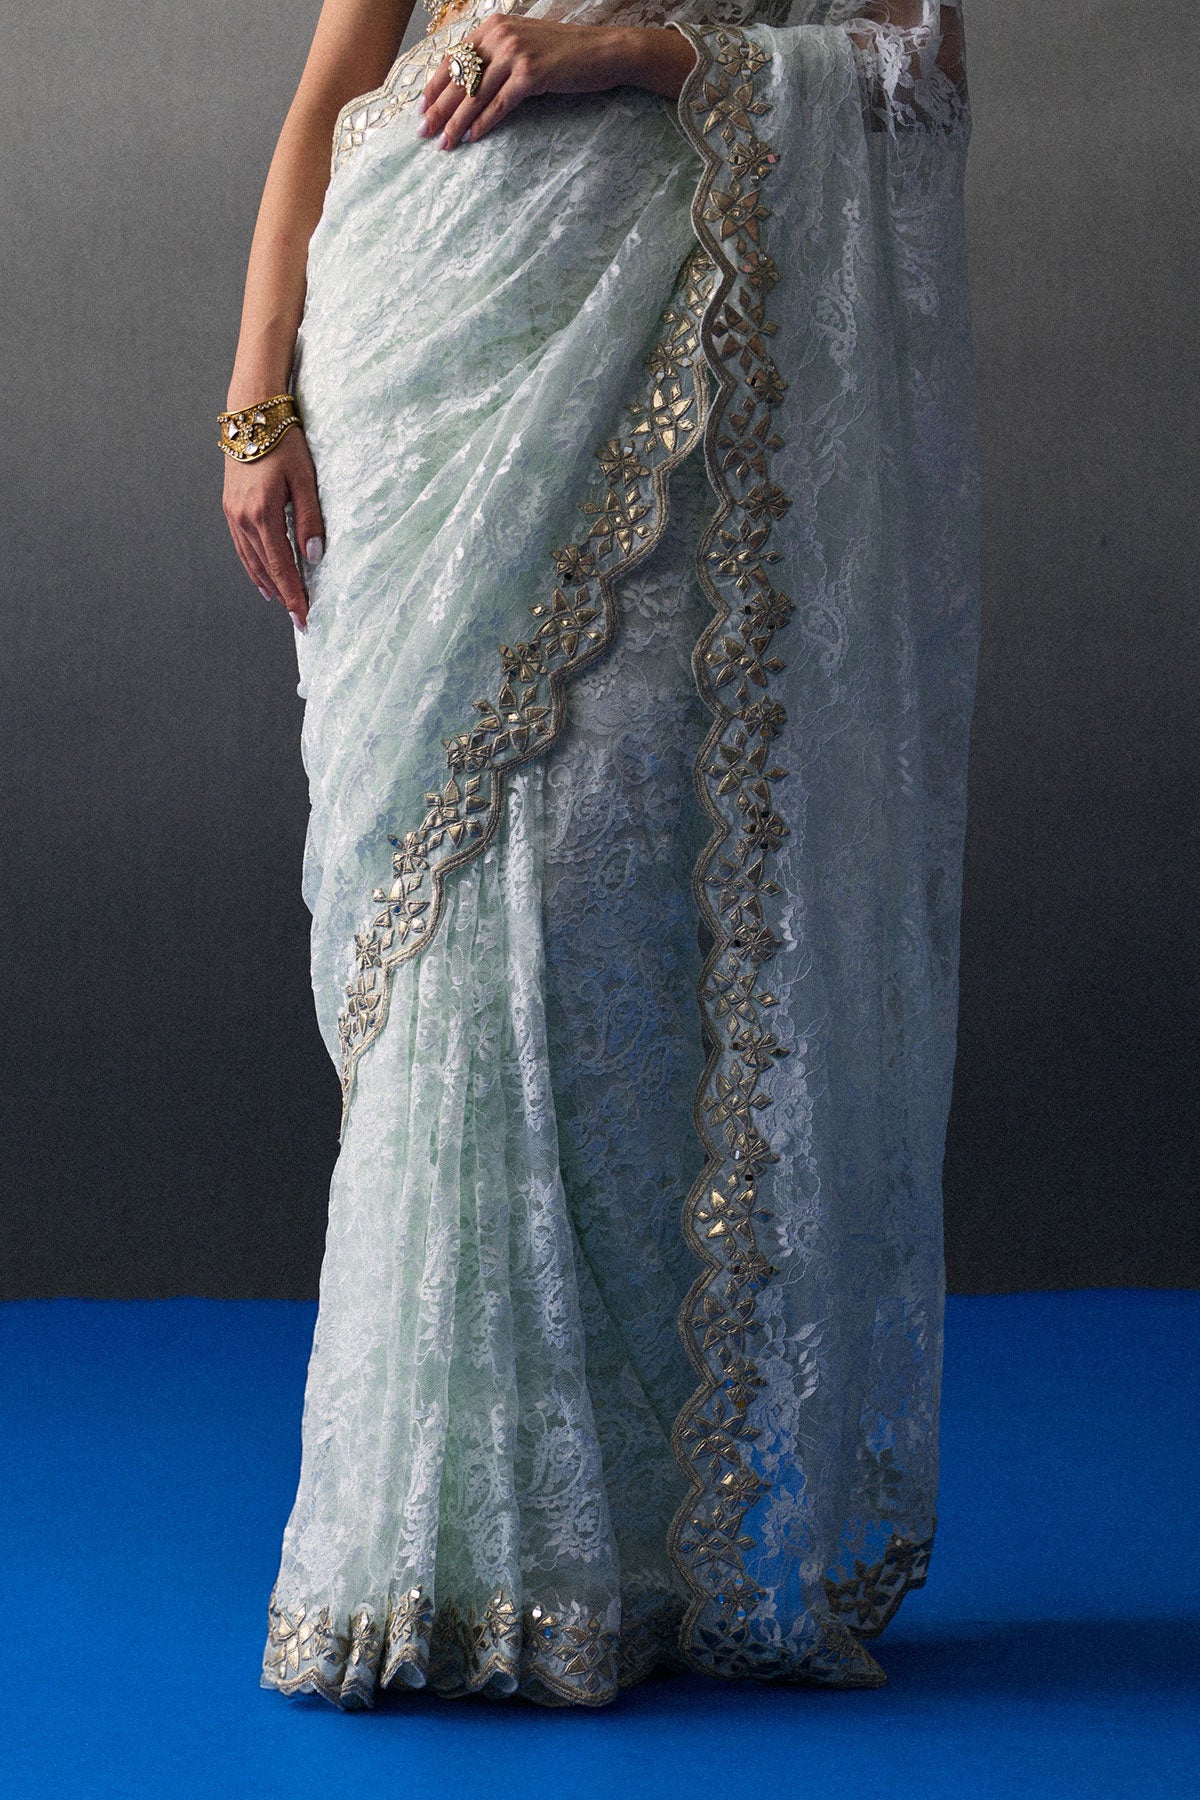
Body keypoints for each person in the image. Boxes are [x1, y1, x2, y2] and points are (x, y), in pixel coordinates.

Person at [222, 0, 980, 1711]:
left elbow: (916, 71)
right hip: (426, 348)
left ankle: (618, 1549)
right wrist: (256, 400)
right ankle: (423, 1554)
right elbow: (336, 82)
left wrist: (637, 53)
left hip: (666, 359)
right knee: (442, 939)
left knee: (602, 934)